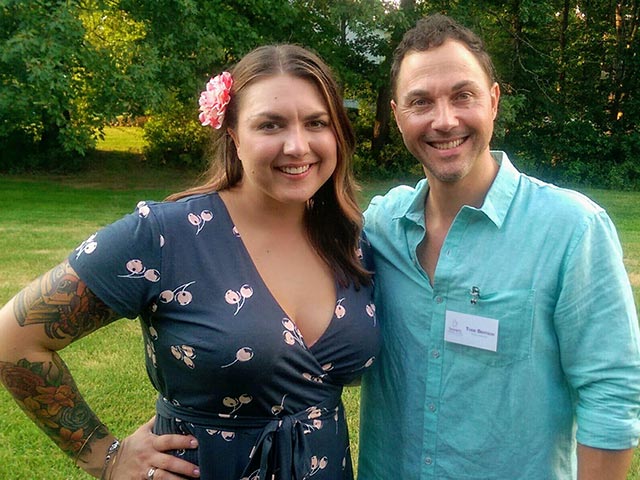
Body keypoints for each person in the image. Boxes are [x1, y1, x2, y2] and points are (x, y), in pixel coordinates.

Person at [0, 44, 379, 480]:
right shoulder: (164, 235)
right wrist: (105, 457)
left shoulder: (350, 241)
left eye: (317, 123)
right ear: (234, 135)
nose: (297, 145)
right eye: (270, 125)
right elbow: (13, 339)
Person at [357, 13, 640, 480]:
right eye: (420, 102)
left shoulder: (570, 230)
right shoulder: (380, 226)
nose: (444, 120)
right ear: (397, 114)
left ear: (492, 101)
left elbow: (610, 393)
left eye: (462, 95)